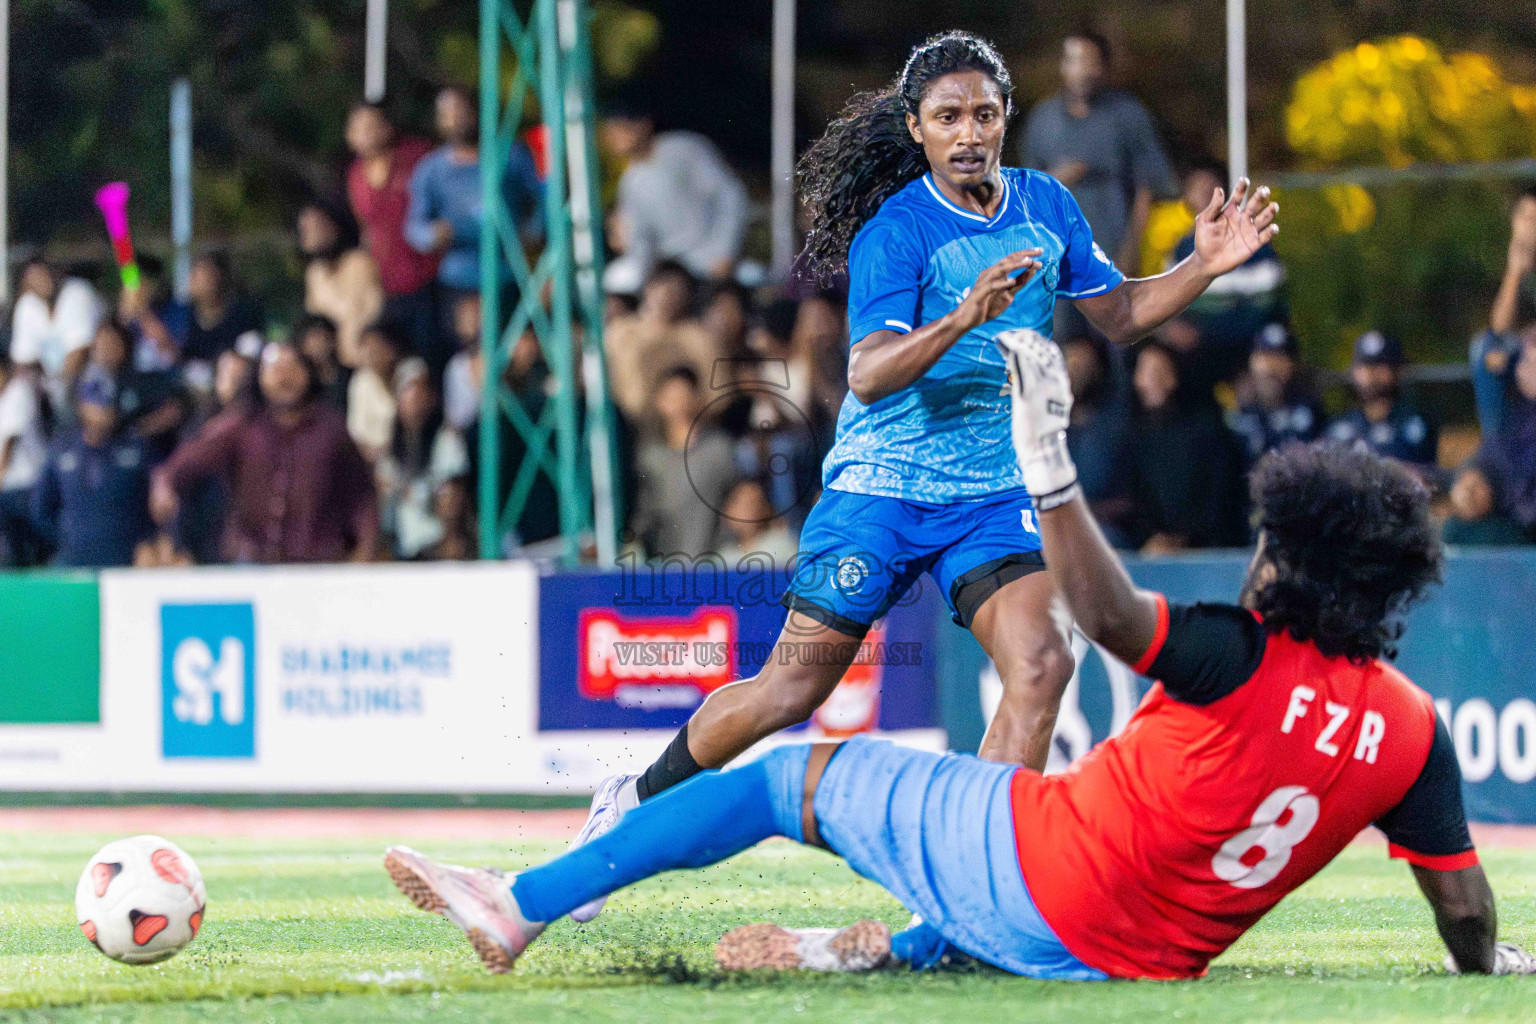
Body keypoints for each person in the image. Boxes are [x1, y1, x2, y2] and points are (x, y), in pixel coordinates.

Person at [380, 334, 1531, 984]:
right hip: (1119, 965)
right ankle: (877, 947)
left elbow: (1111, 613)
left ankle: (522, 901)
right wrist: (1494, 970)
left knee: (794, 779)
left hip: (1040, 879)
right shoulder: (1416, 729)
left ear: (1292, 569)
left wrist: (1049, 463)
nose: (1255, 562)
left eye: (1269, 546)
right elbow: (1467, 913)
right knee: (999, 802)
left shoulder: (1240, 650)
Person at [563, 28, 1281, 925]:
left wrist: (1201, 266)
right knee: (793, 689)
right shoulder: (897, 231)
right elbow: (866, 372)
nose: (969, 131)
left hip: (988, 493)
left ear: (1006, 118)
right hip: (880, 485)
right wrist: (963, 317)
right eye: (948, 117)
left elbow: (1122, 313)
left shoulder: (1047, 205)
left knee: (1043, 661)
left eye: (984, 113)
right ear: (918, 129)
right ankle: (631, 799)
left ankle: (971, 886)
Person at [152, 341, 380, 564]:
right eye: (275, 370)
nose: (284, 377)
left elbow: (361, 492)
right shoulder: (241, 425)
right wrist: (166, 482)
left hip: (317, 563)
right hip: (251, 561)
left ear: (308, 373)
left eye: (292, 368)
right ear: (259, 376)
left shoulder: (332, 429)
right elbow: (191, 458)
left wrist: (366, 547)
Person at [1020, 32, 1175, 276]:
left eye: (1090, 62)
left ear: (1104, 67)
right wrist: (1058, 178)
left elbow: (1149, 185)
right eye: (1074, 61)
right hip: (1057, 257)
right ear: (1063, 65)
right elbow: (1026, 191)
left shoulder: (1128, 114)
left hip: (1114, 250)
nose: (1082, 71)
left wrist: (1131, 248)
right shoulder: (1043, 119)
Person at [406, 85, 543, 360]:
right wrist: (433, 235)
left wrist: (533, 231)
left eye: (462, 111)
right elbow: (413, 226)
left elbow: (544, 200)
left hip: (508, 272)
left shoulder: (511, 155)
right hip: (460, 279)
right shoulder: (430, 170)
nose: (456, 120)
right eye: (447, 114)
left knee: (521, 352)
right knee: (476, 353)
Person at [1159, 160, 1288, 399]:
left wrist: (1206, 332)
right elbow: (1170, 310)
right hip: (1196, 356)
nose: (1206, 194)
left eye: (1212, 186)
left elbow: (1266, 310)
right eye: (1196, 188)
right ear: (1187, 198)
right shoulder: (1180, 251)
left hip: (1246, 351)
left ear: (1227, 192)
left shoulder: (1255, 244)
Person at [601, 100, 750, 283]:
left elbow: (731, 196)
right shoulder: (630, 181)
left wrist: (725, 252)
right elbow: (641, 239)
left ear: (644, 124)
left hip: (712, 262)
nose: (614, 136)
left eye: (620, 127)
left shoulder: (683, 149)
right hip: (672, 273)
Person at [1124, 341, 1245, 552]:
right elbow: (1135, 499)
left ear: (1174, 376)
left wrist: (1183, 539)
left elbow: (1218, 494)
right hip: (1148, 548)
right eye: (1145, 371)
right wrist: (1152, 537)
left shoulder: (1204, 430)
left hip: (1206, 547)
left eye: (1160, 371)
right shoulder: (1132, 436)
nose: (1153, 380)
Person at [346, 102, 442, 361]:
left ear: (388, 126)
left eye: (373, 124)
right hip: (390, 286)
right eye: (359, 127)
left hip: (433, 277)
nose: (367, 133)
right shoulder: (356, 175)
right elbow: (366, 227)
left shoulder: (419, 157)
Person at [32, 368, 154, 568]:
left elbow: (158, 501)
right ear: (83, 406)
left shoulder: (137, 447)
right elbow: (41, 507)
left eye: (107, 405)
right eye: (95, 405)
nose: (101, 414)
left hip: (127, 557)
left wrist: (150, 541)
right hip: (74, 555)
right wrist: (67, 536)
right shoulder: (62, 448)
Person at [628, 365, 737, 559]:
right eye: (671, 396)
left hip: (717, 565)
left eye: (683, 394)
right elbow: (643, 516)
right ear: (659, 401)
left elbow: (739, 503)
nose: (678, 402)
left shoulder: (719, 449)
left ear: (696, 397)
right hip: (666, 568)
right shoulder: (650, 458)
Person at [602, 260, 722, 422]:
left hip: (690, 428)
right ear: (648, 289)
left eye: (676, 291)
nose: (667, 296)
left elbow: (718, 396)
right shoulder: (620, 332)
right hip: (626, 425)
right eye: (661, 287)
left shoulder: (699, 338)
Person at [377, 358, 469, 560]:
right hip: (399, 544)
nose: (416, 397)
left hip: (434, 544)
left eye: (423, 390)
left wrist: (449, 535)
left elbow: (452, 494)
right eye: (408, 389)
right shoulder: (391, 448)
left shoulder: (446, 440)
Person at [8, 256, 105, 424]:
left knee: (65, 393)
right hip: (52, 385)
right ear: (26, 284)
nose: (43, 281)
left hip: (89, 378)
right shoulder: (26, 306)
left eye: (44, 274)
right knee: (19, 393)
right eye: (35, 278)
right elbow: (22, 362)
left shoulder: (78, 292)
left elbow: (79, 355)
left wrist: (55, 388)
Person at [1326, 331, 1438, 477]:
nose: (1372, 375)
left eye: (1380, 366)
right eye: (1365, 366)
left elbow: (1425, 477)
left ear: (1397, 371)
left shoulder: (1415, 423)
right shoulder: (1337, 426)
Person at [1059, 334, 1134, 548]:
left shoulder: (1112, 423)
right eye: (1070, 365)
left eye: (1083, 367)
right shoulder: (1047, 422)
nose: (1074, 373)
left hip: (1102, 526)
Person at [84, 318, 189, 464]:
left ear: (125, 345)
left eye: (111, 343)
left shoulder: (145, 379)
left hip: (146, 459)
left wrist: (138, 431)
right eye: (101, 344)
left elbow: (174, 410)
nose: (105, 349)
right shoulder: (88, 383)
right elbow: (94, 419)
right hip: (103, 460)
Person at [298, 198, 384, 368]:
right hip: (333, 366)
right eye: (305, 230)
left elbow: (371, 314)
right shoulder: (314, 275)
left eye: (317, 226)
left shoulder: (359, 263)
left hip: (366, 361)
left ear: (334, 225)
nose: (312, 235)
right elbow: (315, 324)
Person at [1228, 322, 1323, 465]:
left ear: (1292, 364)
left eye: (1280, 358)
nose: (1271, 367)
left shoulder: (1312, 413)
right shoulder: (1234, 415)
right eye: (1265, 357)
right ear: (1252, 361)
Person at [0, 352, 48, 566]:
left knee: (35, 545)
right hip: (9, 489)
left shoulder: (18, 391)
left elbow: (10, 441)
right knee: (14, 550)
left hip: (28, 484)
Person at [183, 250, 264, 364]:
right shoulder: (184, 313)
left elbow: (249, 354)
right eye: (193, 272)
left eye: (201, 273)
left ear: (219, 277)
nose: (192, 279)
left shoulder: (243, 314)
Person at [348, 321, 405, 461]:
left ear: (392, 348)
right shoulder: (361, 380)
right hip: (374, 460)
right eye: (365, 347)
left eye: (376, 346)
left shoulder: (410, 372)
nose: (370, 352)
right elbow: (357, 434)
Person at [715, 478, 800, 568]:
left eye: (751, 504)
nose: (746, 511)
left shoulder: (783, 547)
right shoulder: (724, 556)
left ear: (765, 508)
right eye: (739, 504)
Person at [1442, 464, 1527, 547]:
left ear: (1492, 491)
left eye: (1477, 485)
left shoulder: (1506, 532)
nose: (1469, 493)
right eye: (1463, 485)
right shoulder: (1450, 528)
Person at [292, 313, 350, 412]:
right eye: (312, 339)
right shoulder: (299, 382)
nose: (318, 344)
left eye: (323, 337)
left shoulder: (351, 377)